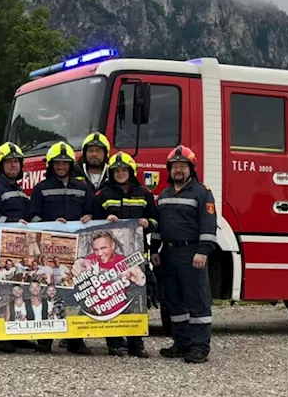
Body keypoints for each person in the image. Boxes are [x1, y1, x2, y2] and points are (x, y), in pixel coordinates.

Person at [154, 145, 218, 364]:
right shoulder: (163, 194)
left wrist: (202, 251)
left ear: (192, 168)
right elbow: (158, 227)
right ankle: (181, 343)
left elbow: (209, 225)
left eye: (182, 166)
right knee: (174, 301)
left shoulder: (202, 192)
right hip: (169, 253)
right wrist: (155, 251)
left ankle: (200, 346)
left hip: (191, 253)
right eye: (174, 167)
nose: (178, 170)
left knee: (197, 301)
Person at [27, 141, 93, 353]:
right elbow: (32, 216)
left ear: (70, 164)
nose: (61, 167)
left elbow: (93, 213)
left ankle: (75, 340)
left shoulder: (83, 188)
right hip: (50, 248)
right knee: (48, 291)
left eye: (65, 163)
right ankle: (45, 339)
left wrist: (89, 217)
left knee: (76, 291)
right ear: (51, 165)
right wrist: (49, 224)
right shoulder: (41, 188)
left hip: (78, 250)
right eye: (57, 163)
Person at [92, 151, 159, 358]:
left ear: (131, 171)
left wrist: (148, 224)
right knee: (112, 298)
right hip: (110, 260)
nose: (120, 173)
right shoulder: (102, 195)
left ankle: (136, 344)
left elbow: (157, 223)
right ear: (111, 173)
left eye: (124, 170)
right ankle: (114, 343)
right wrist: (105, 220)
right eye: (116, 170)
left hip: (137, 258)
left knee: (136, 298)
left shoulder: (144, 194)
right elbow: (92, 225)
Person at [0, 142, 32, 353]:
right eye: (8, 162)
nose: (13, 166)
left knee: (19, 291)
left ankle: (17, 333)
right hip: (2, 248)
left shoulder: (19, 190)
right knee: (4, 292)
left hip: (18, 247)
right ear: (0, 165)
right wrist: (13, 223)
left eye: (16, 162)